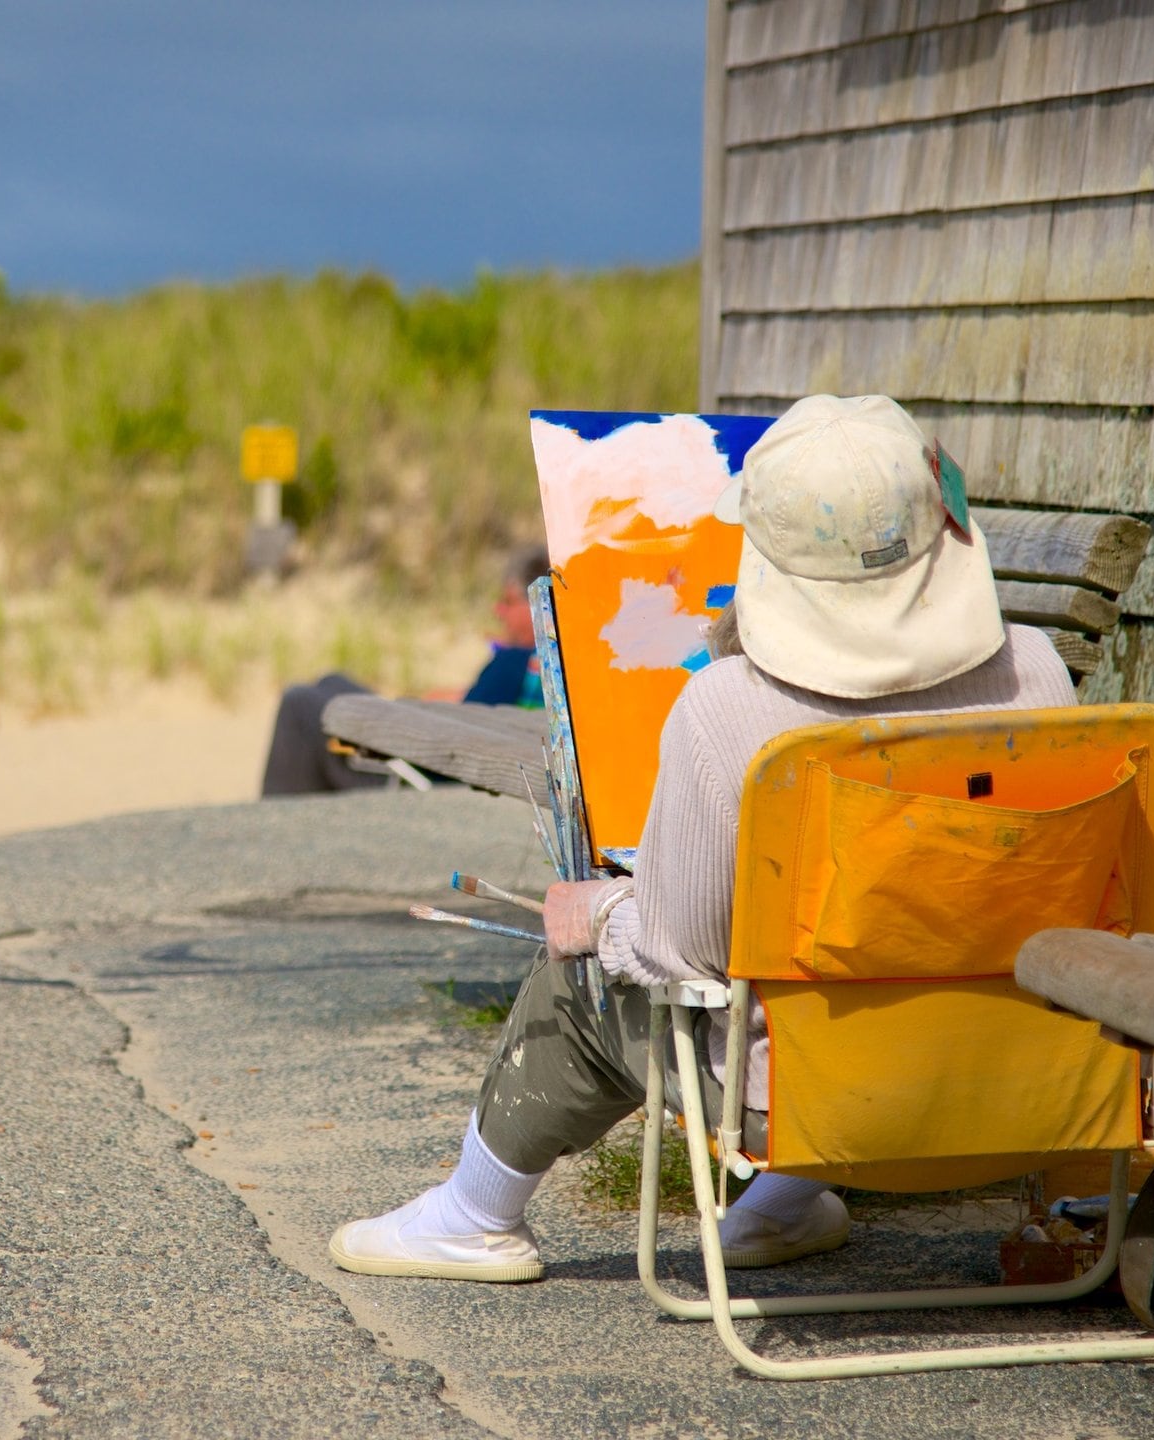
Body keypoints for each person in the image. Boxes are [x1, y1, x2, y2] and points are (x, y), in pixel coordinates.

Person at [329, 394, 1080, 1283]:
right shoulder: (1037, 670)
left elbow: (675, 950)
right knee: (888, 954)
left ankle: (471, 1217)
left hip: (809, 1103)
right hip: (1025, 1081)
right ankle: (775, 1211)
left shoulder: (726, 712)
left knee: (586, 971)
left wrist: (596, 910)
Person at [259, 545, 549, 797]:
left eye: (509, 602)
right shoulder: (542, 667)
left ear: (538, 603)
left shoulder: (516, 661)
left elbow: (466, 734)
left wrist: (437, 706)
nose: (498, 611)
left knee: (299, 704)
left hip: (419, 777)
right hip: (444, 755)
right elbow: (486, 711)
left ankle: (277, 828)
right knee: (332, 682)